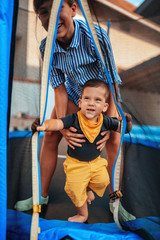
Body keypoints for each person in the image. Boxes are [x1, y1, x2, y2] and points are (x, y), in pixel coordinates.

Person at [15, 0, 135, 221]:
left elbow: (111, 80)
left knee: (114, 141)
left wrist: (108, 124)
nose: (51, 18)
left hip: (102, 96)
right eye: (43, 12)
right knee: (50, 135)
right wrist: (62, 127)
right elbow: (59, 90)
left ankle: (114, 199)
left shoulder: (95, 36)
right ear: (39, 18)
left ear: (73, 9)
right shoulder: (46, 46)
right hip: (73, 95)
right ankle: (40, 197)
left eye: (57, 9)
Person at [35, 79, 132, 223]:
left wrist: (127, 122)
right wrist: (45, 125)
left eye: (97, 100)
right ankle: (82, 214)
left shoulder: (105, 121)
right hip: (76, 165)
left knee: (103, 181)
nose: (91, 103)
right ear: (80, 103)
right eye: (87, 99)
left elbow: (122, 128)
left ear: (105, 107)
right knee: (75, 190)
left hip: (95, 163)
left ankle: (88, 190)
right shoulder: (74, 119)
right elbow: (57, 123)